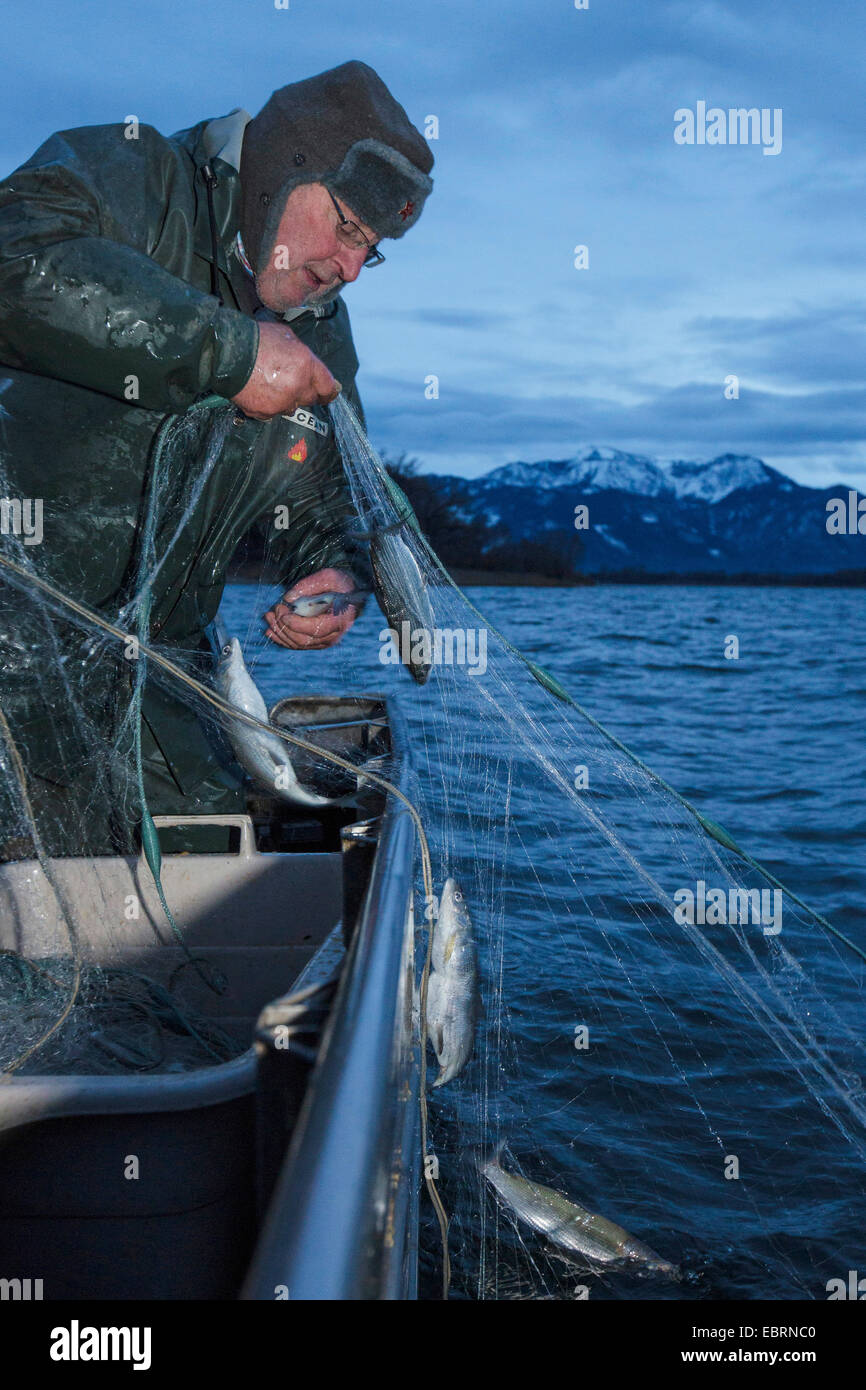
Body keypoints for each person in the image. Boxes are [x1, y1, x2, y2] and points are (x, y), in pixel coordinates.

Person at [0, 61, 434, 855]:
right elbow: (14, 258)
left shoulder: (323, 329)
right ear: (283, 170)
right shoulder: (134, 175)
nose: (345, 268)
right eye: (344, 226)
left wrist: (330, 571)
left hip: (167, 676)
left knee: (203, 891)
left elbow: (325, 497)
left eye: (368, 251)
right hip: (14, 647)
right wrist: (227, 351)